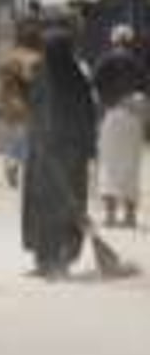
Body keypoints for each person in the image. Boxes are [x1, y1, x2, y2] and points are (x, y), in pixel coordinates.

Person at [23, 31, 98, 278]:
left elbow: (84, 118)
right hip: (54, 156)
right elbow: (88, 119)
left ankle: (59, 259)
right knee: (54, 205)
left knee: (58, 205)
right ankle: (47, 259)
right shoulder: (76, 79)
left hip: (56, 157)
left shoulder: (51, 78)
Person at [93, 25, 146, 228]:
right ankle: (130, 216)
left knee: (109, 165)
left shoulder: (104, 60)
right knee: (131, 165)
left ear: (113, 40)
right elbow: (144, 89)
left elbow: (95, 85)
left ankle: (110, 215)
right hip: (133, 116)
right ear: (130, 41)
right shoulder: (137, 62)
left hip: (111, 115)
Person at [0, 23, 43, 188]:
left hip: (10, 104)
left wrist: (1, 103)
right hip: (29, 105)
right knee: (28, 138)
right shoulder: (37, 58)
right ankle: (19, 164)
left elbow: (1, 82)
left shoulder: (9, 57)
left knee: (13, 138)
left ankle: (11, 163)